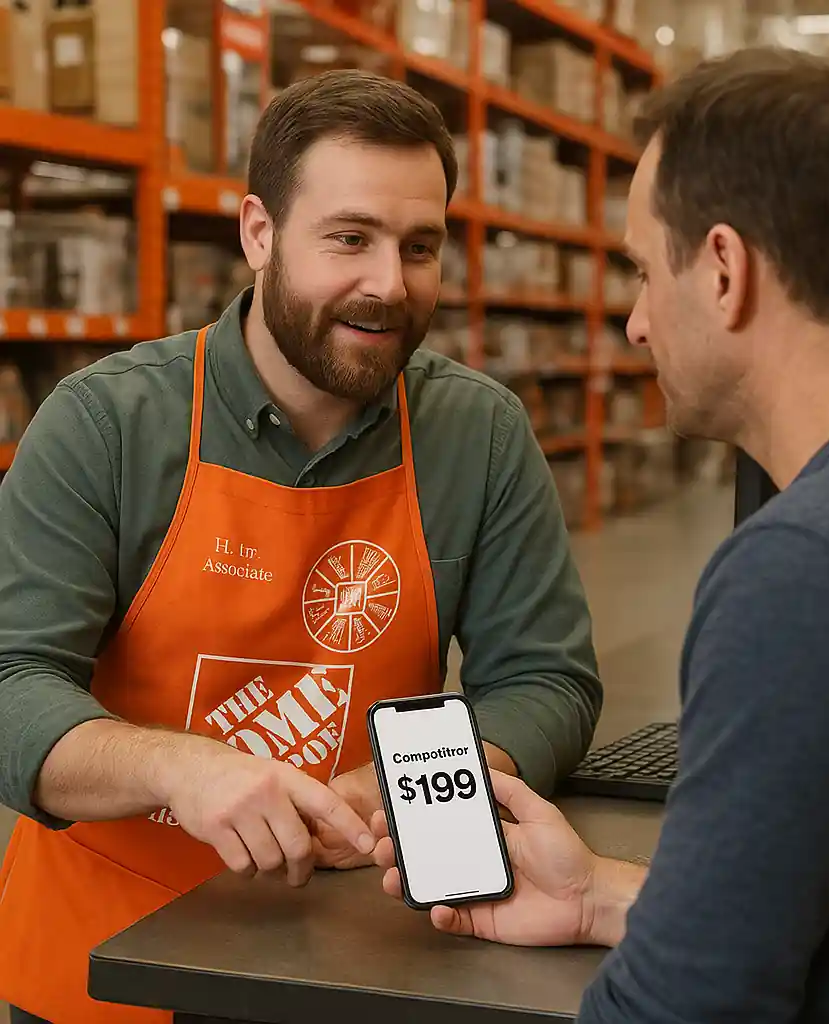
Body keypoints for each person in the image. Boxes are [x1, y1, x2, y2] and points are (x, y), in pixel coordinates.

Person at [373, 46, 829, 1023]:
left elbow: (686, 1008)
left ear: (724, 270)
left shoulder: (808, 569)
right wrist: (602, 896)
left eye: (644, 270)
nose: (637, 323)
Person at [0, 70, 601, 1024]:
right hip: (100, 959)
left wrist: (409, 787)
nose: (389, 284)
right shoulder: (105, 426)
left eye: (420, 247)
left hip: (361, 952)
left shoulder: (478, 436)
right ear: (259, 233)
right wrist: (179, 768)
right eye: (350, 239)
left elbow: (546, 680)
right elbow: (10, 677)